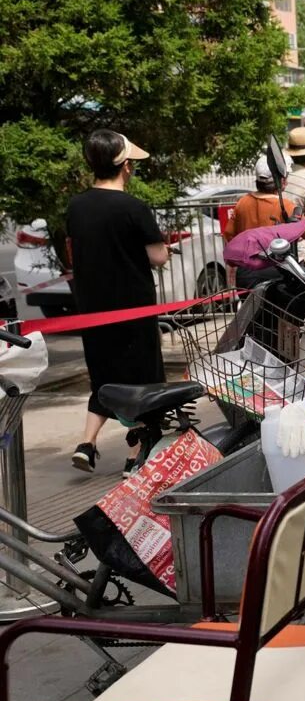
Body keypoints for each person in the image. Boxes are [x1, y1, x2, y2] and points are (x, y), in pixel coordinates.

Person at [66, 131, 170, 473]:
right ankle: (133, 457)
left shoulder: (75, 206)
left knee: (104, 376)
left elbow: (73, 253)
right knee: (141, 379)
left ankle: (87, 443)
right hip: (133, 307)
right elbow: (157, 257)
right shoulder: (133, 208)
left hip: (92, 308)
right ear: (125, 167)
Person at [227, 157, 297, 238]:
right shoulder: (286, 206)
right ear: (281, 180)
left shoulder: (242, 202)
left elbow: (229, 235)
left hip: (246, 250)